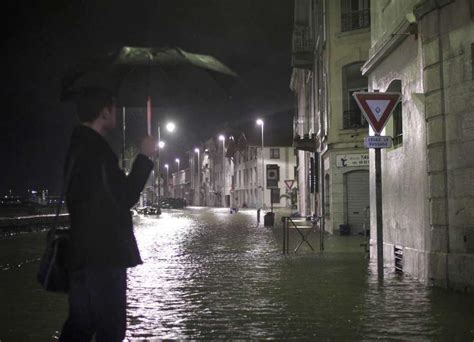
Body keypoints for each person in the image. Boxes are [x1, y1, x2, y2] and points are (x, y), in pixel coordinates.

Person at [59, 87, 156, 341]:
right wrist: (145, 156)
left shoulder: (78, 146)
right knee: (110, 330)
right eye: (114, 106)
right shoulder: (96, 152)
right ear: (104, 110)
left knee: (80, 327)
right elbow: (124, 197)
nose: (117, 111)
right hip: (104, 256)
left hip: (83, 253)